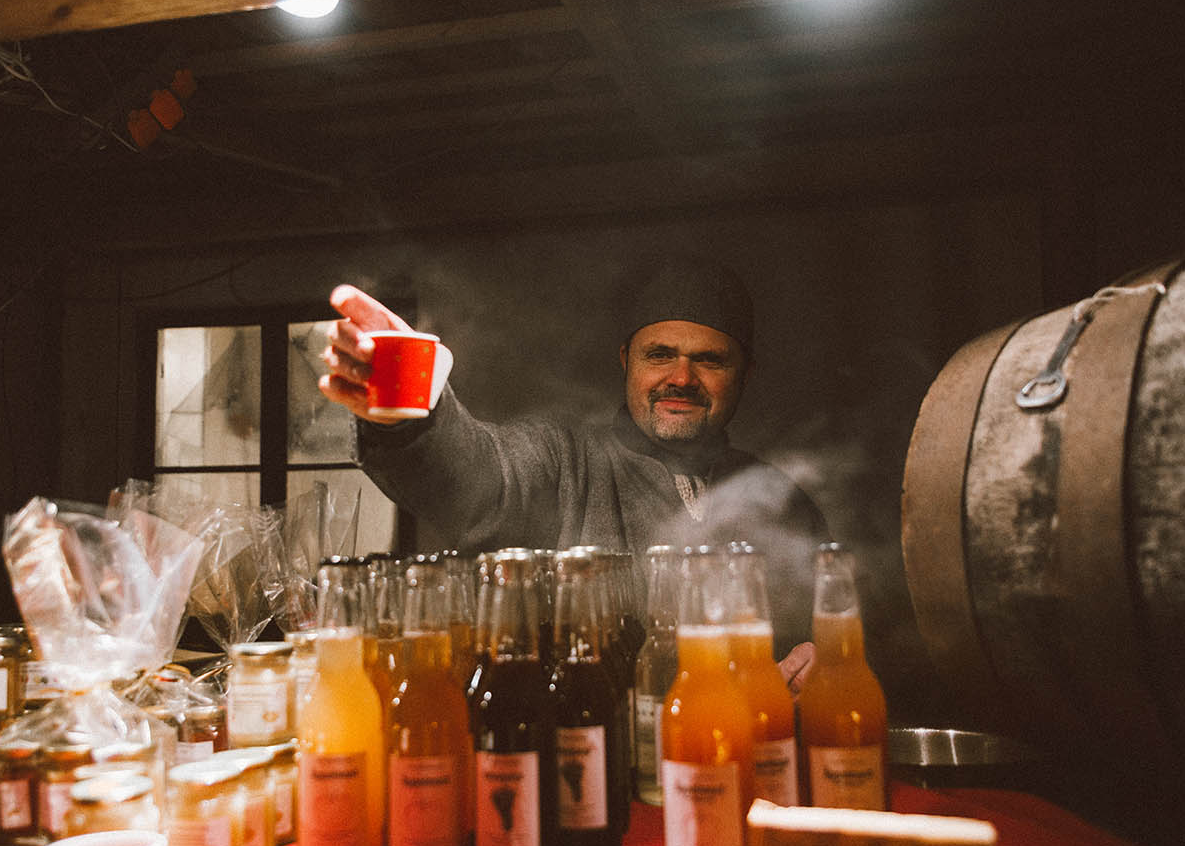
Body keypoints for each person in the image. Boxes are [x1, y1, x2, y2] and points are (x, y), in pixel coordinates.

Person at [318, 257, 829, 661]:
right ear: (627, 360)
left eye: (709, 360)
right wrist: (411, 413)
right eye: (660, 355)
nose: (681, 377)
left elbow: (827, 635)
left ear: (743, 373)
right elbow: (478, 474)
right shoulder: (564, 464)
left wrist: (817, 661)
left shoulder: (782, 501)